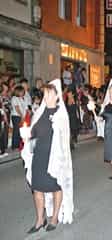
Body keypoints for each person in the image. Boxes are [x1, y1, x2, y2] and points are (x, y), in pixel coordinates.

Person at [21, 79, 74, 234]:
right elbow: (34, 132)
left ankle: (54, 217)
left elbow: (64, 139)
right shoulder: (39, 112)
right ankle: (39, 219)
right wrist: (27, 135)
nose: (47, 96)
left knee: (55, 187)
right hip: (39, 156)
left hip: (55, 158)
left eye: (50, 93)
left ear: (57, 96)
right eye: (45, 93)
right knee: (37, 188)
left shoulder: (61, 115)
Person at [11, 86, 26, 150]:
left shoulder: (20, 98)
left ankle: (19, 145)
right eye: (22, 91)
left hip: (20, 116)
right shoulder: (14, 98)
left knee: (20, 131)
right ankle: (15, 146)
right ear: (18, 91)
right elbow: (17, 108)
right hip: (16, 116)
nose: (23, 92)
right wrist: (21, 115)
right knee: (16, 131)